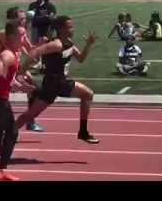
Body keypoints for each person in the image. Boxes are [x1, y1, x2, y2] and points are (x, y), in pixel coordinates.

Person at [15, 15, 99, 144]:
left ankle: (8, 132)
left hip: (55, 85)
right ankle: (83, 132)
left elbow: (81, 59)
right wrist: (21, 72)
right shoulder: (56, 44)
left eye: (72, 26)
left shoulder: (69, 43)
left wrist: (88, 44)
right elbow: (34, 53)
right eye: (69, 27)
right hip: (55, 83)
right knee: (87, 94)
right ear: (60, 29)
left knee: (30, 114)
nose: (73, 29)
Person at [0, 22, 33, 181]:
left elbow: (5, 78)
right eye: (22, 35)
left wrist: (20, 87)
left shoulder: (13, 54)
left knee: (7, 133)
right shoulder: (8, 55)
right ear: (11, 37)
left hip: (0, 99)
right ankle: (1, 170)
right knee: (11, 132)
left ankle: (2, 168)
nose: (24, 39)